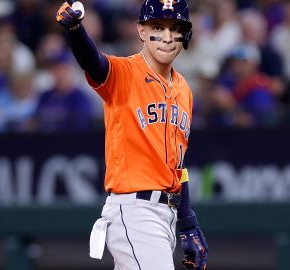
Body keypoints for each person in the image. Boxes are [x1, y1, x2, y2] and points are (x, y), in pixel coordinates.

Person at [56, 0, 209, 269]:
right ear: (141, 31)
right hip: (135, 210)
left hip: (166, 215)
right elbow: (94, 62)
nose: (167, 36)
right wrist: (77, 30)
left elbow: (178, 164)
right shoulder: (125, 73)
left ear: (185, 34)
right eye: (157, 27)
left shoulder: (184, 89)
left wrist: (188, 223)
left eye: (175, 28)